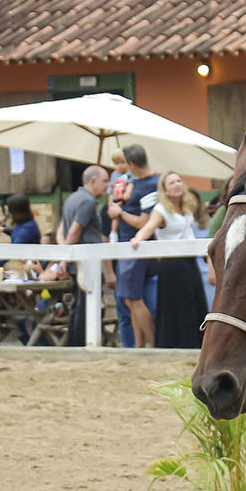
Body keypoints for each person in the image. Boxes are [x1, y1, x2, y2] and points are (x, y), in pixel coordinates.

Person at [131, 171, 209, 348]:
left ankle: (195, 344)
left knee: (193, 302)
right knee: (177, 306)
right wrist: (138, 239)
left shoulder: (188, 207)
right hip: (172, 264)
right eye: (172, 182)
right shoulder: (161, 210)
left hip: (189, 262)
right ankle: (176, 344)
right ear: (164, 190)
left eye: (179, 181)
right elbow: (149, 227)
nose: (177, 184)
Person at [108, 143, 159, 348]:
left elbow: (143, 223)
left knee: (132, 299)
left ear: (131, 164)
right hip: (129, 246)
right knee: (132, 300)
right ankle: (139, 346)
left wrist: (118, 214)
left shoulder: (150, 184)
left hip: (135, 247)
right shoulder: (138, 182)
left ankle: (153, 345)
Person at [58, 164, 113, 346]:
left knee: (78, 307)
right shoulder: (88, 202)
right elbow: (73, 232)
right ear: (93, 180)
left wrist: (65, 257)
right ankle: (82, 345)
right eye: (105, 181)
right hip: (86, 263)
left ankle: (74, 344)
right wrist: (65, 260)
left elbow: (61, 231)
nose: (108, 185)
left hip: (76, 262)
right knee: (87, 309)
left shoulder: (71, 199)